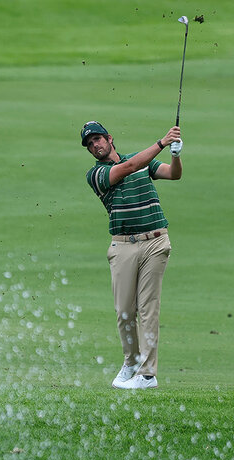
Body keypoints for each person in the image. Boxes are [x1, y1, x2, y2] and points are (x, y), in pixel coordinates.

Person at [81, 120, 182, 390]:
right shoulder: (97, 175)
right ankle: (132, 361)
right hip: (123, 245)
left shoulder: (142, 161)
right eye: (90, 144)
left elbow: (173, 174)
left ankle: (147, 374)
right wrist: (162, 142)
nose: (95, 145)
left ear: (109, 138)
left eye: (98, 139)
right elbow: (128, 168)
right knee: (125, 311)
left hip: (155, 242)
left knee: (148, 308)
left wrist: (175, 154)